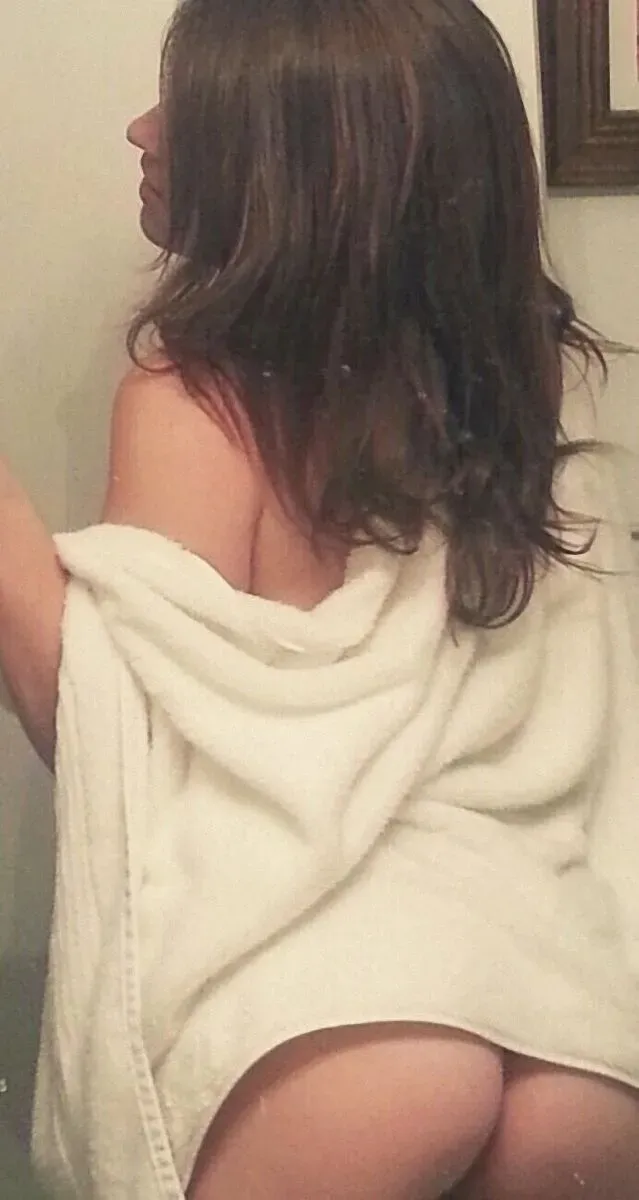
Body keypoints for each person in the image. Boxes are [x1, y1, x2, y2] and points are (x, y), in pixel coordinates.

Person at [1, 0, 637, 1197]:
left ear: (286, 161)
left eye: (184, 107)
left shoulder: (197, 398)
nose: (142, 131)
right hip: (564, 1013)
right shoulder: (531, 377)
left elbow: (131, 761)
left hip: (340, 1026)